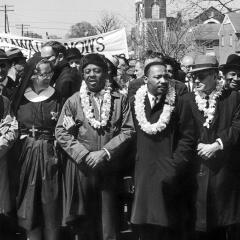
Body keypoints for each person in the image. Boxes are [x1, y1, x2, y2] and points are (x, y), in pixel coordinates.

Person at [55, 53, 135, 240]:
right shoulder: (74, 101)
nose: (92, 75)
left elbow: (128, 130)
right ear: (82, 75)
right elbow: (61, 132)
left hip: (109, 168)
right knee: (84, 224)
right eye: (87, 71)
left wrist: (105, 152)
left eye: (97, 71)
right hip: (83, 169)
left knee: (109, 224)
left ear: (105, 74)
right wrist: (83, 154)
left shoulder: (119, 100)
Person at [130, 61, 196, 240]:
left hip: (169, 174)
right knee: (145, 225)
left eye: (166, 76)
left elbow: (188, 137)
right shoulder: (135, 102)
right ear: (145, 79)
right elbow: (129, 136)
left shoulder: (179, 102)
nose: (163, 80)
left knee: (168, 225)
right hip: (143, 172)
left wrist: (174, 166)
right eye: (157, 77)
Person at [188, 55, 240, 240]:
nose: (196, 80)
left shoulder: (232, 98)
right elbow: (182, 131)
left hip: (223, 172)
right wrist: (197, 145)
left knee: (221, 223)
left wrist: (217, 145)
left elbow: (237, 126)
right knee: (199, 226)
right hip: (197, 170)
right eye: (194, 76)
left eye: (201, 76)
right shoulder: (187, 100)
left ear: (214, 76)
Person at [12, 58, 62, 240]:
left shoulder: (58, 96)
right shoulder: (20, 99)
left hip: (51, 156)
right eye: (43, 74)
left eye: (50, 73)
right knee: (29, 204)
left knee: (51, 204)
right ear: (33, 75)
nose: (48, 77)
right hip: (26, 156)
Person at [0, 50, 18, 239]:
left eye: (3, 65)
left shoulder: (14, 90)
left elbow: (11, 125)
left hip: (5, 155)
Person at [41, 41, 79, 105]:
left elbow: (65, 107)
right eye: (42, 59)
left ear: (60, 56)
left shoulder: (67, 79)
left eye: (47, 58)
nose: (43, 62)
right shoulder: (55, 74)